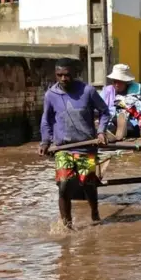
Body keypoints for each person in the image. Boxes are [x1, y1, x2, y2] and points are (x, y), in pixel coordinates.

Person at [39, 58, 110, 229]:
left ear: (74, 74)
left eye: (67, 75)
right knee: (63, 184)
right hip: (63, 148)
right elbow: (46, 121)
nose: (63, 79)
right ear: (56, 75)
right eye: (60, 75)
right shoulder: (51, 95)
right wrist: (45, 141)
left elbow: (105, 112)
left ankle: (94, 212)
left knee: (88, 183)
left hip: (86, 146)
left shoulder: (88, 91)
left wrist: (101, 131)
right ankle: (66, 225)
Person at [100, 64, 141, 139]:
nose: (117, 84)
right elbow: (98, 108)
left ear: (126, 81)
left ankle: (122, 132)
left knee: (133, 126)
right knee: (111, 122)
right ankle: (114, 134)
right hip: (111, 121)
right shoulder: (107, 91)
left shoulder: (136, 92)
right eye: (115, 81)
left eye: (120, 82)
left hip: (132, 122)